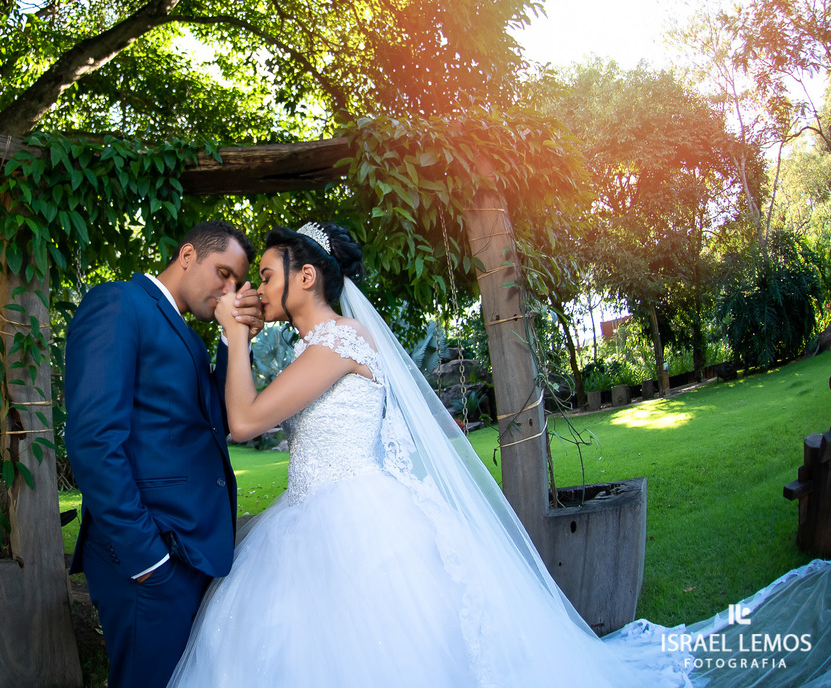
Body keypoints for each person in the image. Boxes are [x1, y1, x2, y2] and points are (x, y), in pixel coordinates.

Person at [167, 221, 831, 687]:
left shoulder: (337, 344)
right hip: (309, 516)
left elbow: (245, 419)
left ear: (306, 276)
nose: (255, 288)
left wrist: (235, 336)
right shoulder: (327, 345)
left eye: (271, 272)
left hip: (350, 523)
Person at [65, 220, 264, 688]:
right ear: (188, 255)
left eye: (237, 281)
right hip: (148, 560)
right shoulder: (119, 304)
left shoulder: (191, 336)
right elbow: (94, 439)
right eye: (223, 274)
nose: (230, 291)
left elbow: (218, 423)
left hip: (192, 550)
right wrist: (147, 561)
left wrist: (234, 342)